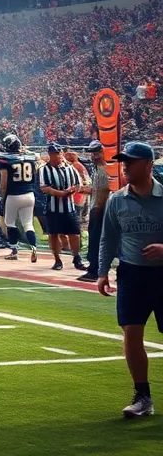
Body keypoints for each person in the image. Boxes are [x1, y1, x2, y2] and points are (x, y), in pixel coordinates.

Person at [97, 141, 163, 419]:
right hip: (131, 275)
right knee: (131, 334)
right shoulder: (117, 199)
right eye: (123, 161)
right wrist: (102, 272)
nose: (125, 166)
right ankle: (142, 396)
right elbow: (108, 238)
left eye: (131, 161)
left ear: (149, 165)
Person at [38, 143, 87, 272]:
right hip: (53, 207)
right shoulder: (45, 169)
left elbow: (78, 184)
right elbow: (44, 187)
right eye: (54, 154)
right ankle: (57, 259)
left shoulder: (70, 168)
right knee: (53, 234)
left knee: (74, 233)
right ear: (50, 155)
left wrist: (72, 191)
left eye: (58, 153)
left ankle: (77, 257)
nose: (57, 156)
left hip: (69, 207)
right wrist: (60, 193)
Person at [0, 134, 40, 262]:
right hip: (29, 194)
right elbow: (35, 170)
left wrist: (2, 197)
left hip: (13, 195)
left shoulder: (5, 159)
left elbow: (3, 183)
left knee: (9, 223)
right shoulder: (30, 158)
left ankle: (14, 250)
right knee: (28, 223)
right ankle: (34, 247)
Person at [78, 144, 111, 283]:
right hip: (98, 206)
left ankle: (95, 269)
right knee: (97, 240)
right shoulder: (100, 169)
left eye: (96, 153)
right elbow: (99, 189)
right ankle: (96, 268)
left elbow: (104, 191)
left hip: (99, 208)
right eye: (92, 153)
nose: (93, 156)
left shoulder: (103, 169)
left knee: (96, 240)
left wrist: (98, 208)